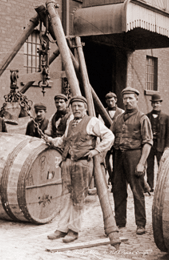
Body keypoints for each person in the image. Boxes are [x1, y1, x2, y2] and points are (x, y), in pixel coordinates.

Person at [46, 96, 114, 243]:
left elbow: (109, 136)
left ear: (85, 108)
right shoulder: (70, 122)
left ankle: (74, 230)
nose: (76, 108)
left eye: (79, 106)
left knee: (78, 197)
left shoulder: (93, 121)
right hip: (68, 162)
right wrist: (52, 141)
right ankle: (62, 228)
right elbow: (64, 140)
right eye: (74, 106)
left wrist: (97, 151)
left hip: (82, 164)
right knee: (66, 196)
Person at [110, 87, 153, 235]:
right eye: (125, 99)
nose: (127, 101)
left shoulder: (142, 118)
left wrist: (141, 163)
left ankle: (141, 224)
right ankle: (119, 222)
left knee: (137, 191)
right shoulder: (118, 119)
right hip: (118, 157)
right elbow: (110, 137)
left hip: (134, 156)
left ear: (136, 100)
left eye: (130, 98)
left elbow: (147, 142)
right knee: (118, 190)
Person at [146, 94, 169, 192]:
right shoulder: (147, 116)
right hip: (150, 146)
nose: (156, 105)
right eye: (154, 103)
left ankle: (161, 186)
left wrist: (167, 147)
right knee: (149, 167)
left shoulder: (166, 117)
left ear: (160, 104)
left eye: (157, 103)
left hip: (161, 146)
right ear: (151, 104)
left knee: (161, 167)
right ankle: (150, 187)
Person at [104, 92, 124, 185]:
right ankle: (110, 177)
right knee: (105, 160)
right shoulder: (102, 111)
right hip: (106, 140)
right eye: (108, 101)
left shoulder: (122, 112)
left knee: (116, 161)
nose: (110, 103)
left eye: (112, 100)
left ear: (116, 100)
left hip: (117, 140)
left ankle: (115, 180)